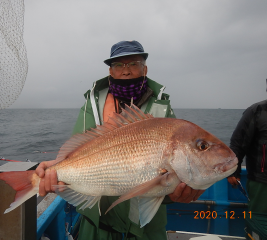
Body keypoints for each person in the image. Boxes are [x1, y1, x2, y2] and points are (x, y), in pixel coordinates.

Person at [36, 40, 205, 239]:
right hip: (98, 223)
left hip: (146, 229)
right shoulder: (92, 105)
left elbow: (172, 170)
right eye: (118, 65)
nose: (126, 71)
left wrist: (173, 194)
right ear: (111, 72)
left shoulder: (162, 108)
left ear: (145, 69)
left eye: (133, 63)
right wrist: (58, 166)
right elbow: (77, 151)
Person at [227, 98, 267, 213]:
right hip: (261, 182)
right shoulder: (257, 111)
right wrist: (233, 171)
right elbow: (238, 143)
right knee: (259, 223)